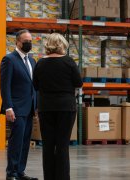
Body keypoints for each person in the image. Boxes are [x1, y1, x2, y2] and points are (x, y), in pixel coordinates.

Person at [33, 33, 83, 180]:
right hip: (65, 107)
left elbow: (35, 85)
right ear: (62, 45)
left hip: (46, 108)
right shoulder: (69, 62)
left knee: (48, 145)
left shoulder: (40, 63)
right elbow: (78, 83)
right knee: (62, 145)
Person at [0, 29, 38, 180]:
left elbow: (33, 85)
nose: (29, 44)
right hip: (16, 108)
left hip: (29, 108)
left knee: (25, 142)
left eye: (30, 41)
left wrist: (36, 106)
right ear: (17, 42)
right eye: (26, 41)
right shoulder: (9, 59)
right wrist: (8, 107)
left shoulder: (32, 61)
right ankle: (12, 173)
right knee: (16, 141)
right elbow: (5, 85)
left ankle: (21, 171)